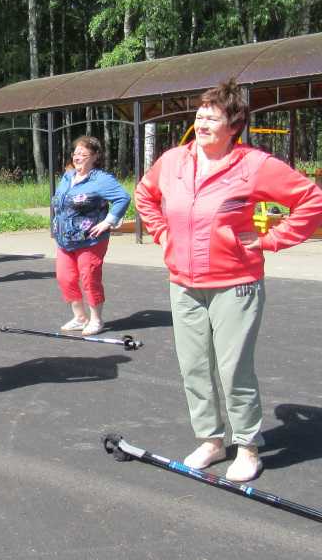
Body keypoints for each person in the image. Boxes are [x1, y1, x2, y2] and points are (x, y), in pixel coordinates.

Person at [135, 79, 322, 482]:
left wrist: (271, 239)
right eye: (200, 114)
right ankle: (210, 440)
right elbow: (145, 195)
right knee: (194, 367)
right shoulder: (173, 161)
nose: (202, 122)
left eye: (212, 117)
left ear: (233, 126)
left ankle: (248, 447)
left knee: (234, 368)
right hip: (184, 283)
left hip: (236, 283)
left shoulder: (253, 165)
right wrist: (162, 232)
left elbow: (312, 199)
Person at [52, 136, 130, 336]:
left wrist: (108, 221)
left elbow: (123, 198)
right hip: (64, 239)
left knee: (89, 278)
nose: (77, 157)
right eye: (75, 153)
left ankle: (96, 320)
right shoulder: (68, 176)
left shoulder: (101, 179)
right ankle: (80, 317)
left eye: (83, 154)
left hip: (90, 240)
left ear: (95, 156)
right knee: (65, 278)